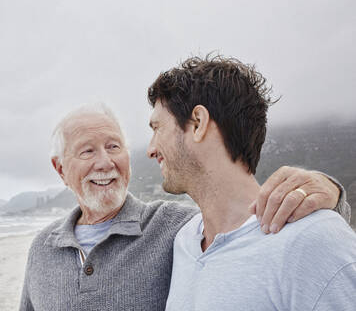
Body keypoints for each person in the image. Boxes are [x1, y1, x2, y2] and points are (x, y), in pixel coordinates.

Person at [19, 103, 350, 311]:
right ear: (60, 169)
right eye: (87, 151)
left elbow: (252, 222)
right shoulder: (42, 250)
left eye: (114, 146)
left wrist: (331, 192)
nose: (105, 162)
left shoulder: (176, 227)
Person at [144, 55, 356, 310]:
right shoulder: (185, 242)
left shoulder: (314, 240)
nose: (151, 149)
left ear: (198, 123)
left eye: (157, 128)